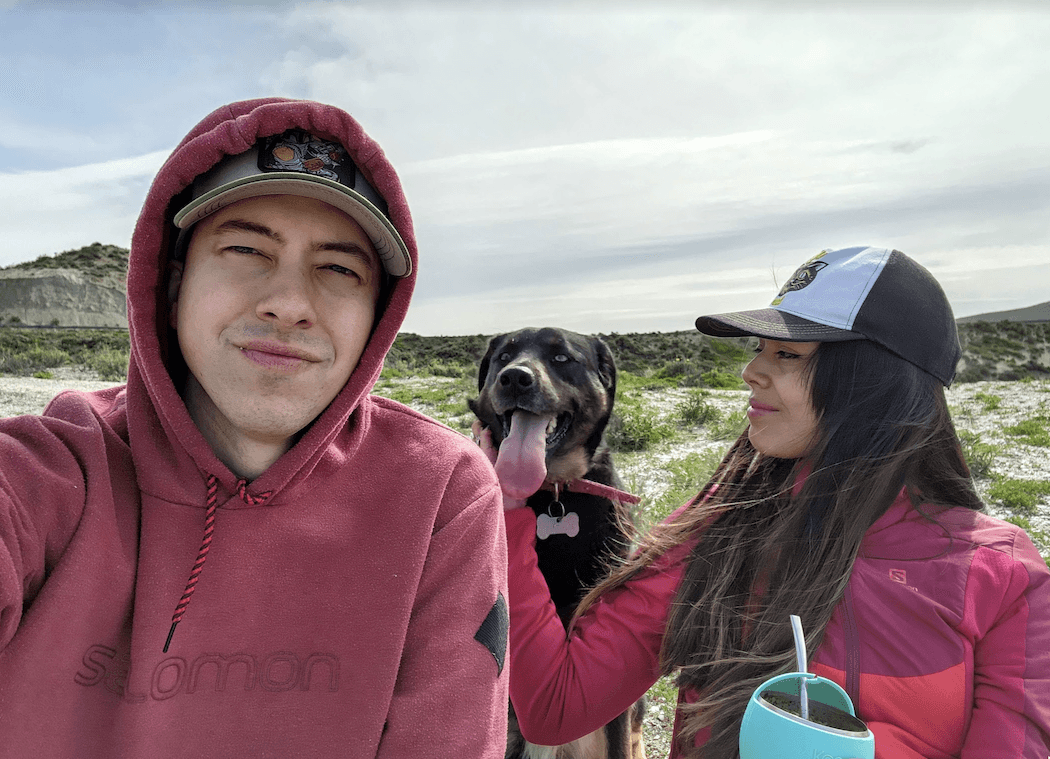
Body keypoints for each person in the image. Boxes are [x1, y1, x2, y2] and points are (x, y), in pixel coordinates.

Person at [0, 98, 509, 757]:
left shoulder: (440, 492)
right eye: (245, 248)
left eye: (338, 268)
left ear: (376, 316)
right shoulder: (53, 470)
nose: (291, 303)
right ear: (173, 282)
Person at [481, 246, 1050, 758]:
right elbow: (557, 709)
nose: (751, 372)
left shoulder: (1000, 578)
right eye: (759, 349)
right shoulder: (710, 538)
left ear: (874, 379)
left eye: (788, 355)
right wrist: (509, 512)